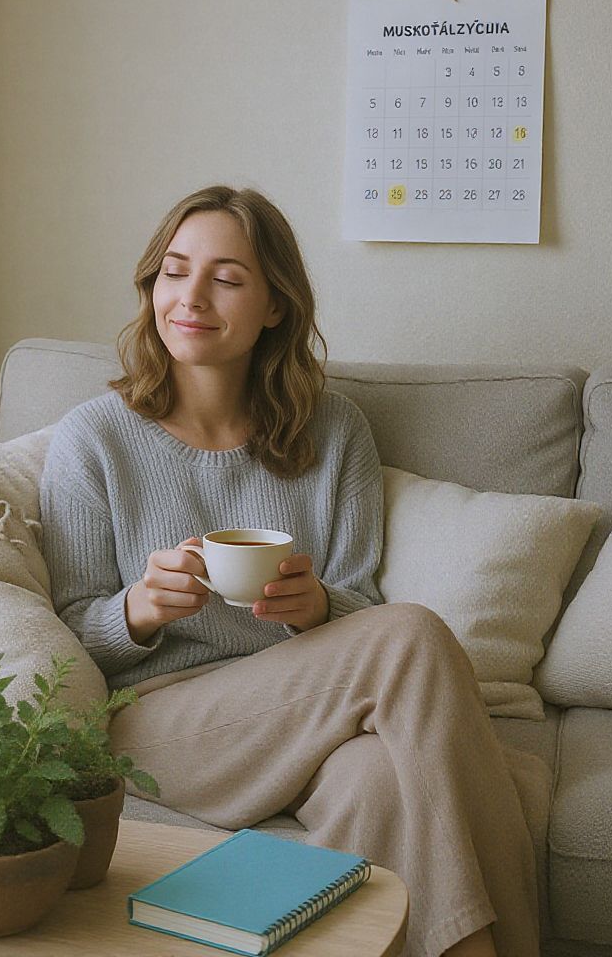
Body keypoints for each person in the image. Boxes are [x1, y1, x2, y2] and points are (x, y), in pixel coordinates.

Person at [39, 185, 539, 957]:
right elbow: (67, 636)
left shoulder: (334, 431)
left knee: (377, 781)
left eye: (227, 279)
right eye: (174, 272)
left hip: (307, 708)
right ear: (152, 286)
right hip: (161, 720)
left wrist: (315, 610)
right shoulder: (93, 439)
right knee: (410, 632)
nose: (192, 298)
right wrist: (137, 610)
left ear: (276, 305)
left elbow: (357, 603)